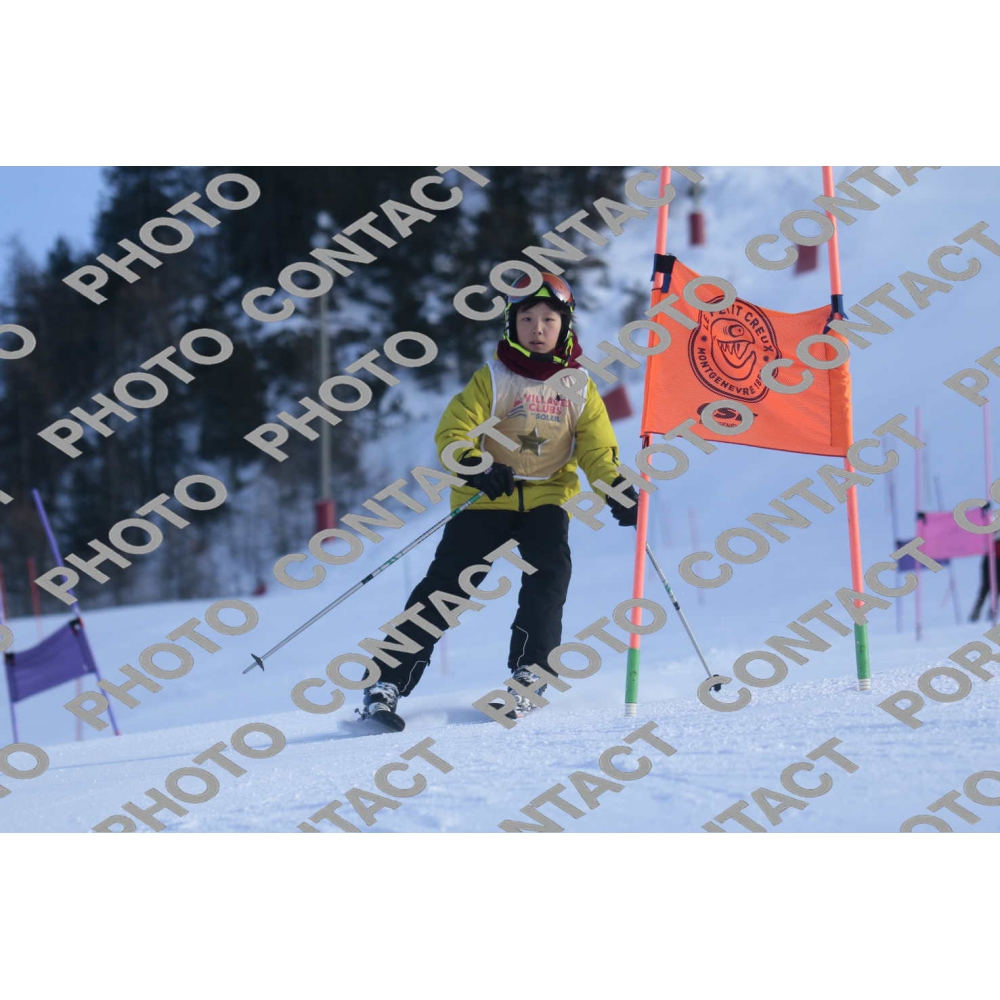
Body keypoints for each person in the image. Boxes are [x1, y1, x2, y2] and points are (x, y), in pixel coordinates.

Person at [358, 271, 637, 727]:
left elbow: (596, 450)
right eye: (527, 319)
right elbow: (453, 433)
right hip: (486, 498)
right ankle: (386, 682)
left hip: (546, 500)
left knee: (549, 580)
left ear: (566, 327)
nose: (538, 329)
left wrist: (616, 488)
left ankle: (530, 676)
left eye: (549, 320)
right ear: (511, 324)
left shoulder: (580, 388)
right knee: (444, 591)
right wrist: (476, 466)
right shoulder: (494, 377)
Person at [969, 535, 1000, 622]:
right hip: (991, 558)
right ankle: (977, 611)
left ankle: (992, 612)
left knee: (997, 587)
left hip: (996, 557)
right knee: (986, 586)